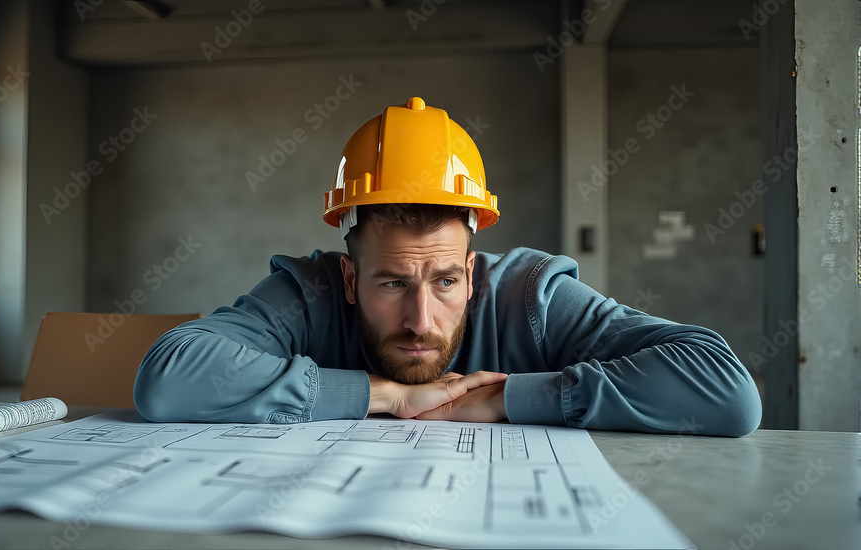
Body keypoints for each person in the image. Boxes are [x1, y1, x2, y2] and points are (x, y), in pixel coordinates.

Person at [133, 97, 762, 437]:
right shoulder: (311, 293)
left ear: (474, 271)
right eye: (391, 283)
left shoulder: (529, 296)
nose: (420, 320)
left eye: (445, 281)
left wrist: (504, 401)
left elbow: (724, 391)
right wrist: (386, 396)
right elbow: (169, 377)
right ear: (350, 280)